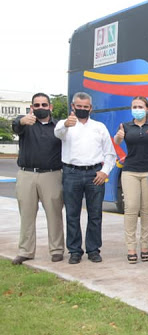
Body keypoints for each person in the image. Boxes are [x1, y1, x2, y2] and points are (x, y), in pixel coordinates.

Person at [54, 92, 117, 264]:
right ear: (73, 106)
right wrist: (66, 124)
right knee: (72, 214)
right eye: (79, 106)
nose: (82, 109)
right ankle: (75, 251)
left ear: (91, 108)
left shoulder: (99, 127)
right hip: (71, 173)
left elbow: (110, 153)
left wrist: (105, 171)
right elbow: (57, 133)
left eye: (85, 107)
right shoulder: (65, 125)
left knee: (95, 214)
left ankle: (93, 249)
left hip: (94, 174)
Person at [11, 93, 64, 265]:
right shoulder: (25, 124)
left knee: (54, 214)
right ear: (32, 107)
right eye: (37, 105)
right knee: (26, 214)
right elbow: (15, 125)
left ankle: (57, 249)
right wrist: (21, 121)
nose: (41, 108)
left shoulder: (58, 127)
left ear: (50, 107)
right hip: (27, 174)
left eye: (44, 104)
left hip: (52, 175)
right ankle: (25, 251)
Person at [113, 96, 148, 264]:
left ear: (147, 109)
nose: (137, 109)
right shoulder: (125, 126)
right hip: (130, 172)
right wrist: (118, 136)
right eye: (134, 106)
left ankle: (145, 246)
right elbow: (117, 141)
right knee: (131, 208)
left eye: (140, 106)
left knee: (147, 210)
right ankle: (131, 248)